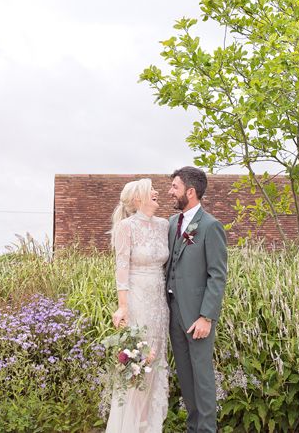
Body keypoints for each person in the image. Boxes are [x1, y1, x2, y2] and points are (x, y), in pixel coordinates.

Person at [166, 166, 227, 433]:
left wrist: (207, 316)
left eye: (175, 187)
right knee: (186, 379)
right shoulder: (170, 223)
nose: (170, 191)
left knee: (202, 379)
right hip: (173, 314)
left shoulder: (211, 226)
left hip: (198, 317)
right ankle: (193, 428)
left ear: (190, 191)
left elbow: (217, 275)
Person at [107, 178, 169, 433]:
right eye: (150, 190)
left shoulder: (165, 225)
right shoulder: (125, 227)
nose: (156, 192)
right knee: (139, 364)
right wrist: (123, 307)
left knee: (156, 364)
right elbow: (122, 268)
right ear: (137, 200)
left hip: (159, 303)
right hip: (137, 302)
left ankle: (151, 427)